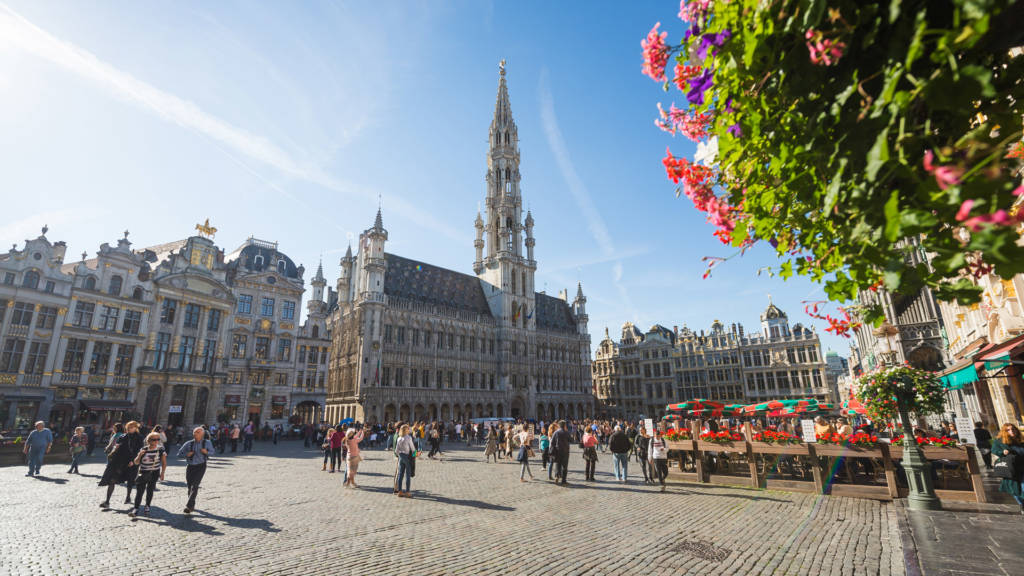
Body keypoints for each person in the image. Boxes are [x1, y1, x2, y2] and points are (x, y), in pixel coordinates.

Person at [99, 421, 143, 508]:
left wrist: (133, 460)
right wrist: (114, 450)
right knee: (112, 479)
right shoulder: (123, 436)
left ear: (135, 427)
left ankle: (128, 496)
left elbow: (139, 450)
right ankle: (107, 501)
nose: (129, 429)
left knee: (130, 480)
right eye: (128, 427)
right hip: (119, 461)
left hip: (131, 462)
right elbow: (116, 447)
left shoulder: (139, 437)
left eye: (131, 427)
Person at [129, 432, 167, 518]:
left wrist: (162, 473)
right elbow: (136, 462)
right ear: (148, 440)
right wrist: (139, 455)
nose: (156, 441)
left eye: (158, 439)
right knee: (140, 491)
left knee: (150, 490)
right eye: (154, 440)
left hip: (154, 473)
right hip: (143, 472)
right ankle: (136, 509)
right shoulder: (144, 449)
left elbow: (164, 462)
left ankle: (147, 506)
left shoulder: (161, 449)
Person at [178, 426, 214, 514]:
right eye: (195, 432)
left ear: (202, 434)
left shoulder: (207, 443)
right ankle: (192, 504)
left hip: (201, 466)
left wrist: (206, 452)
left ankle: (189, 506)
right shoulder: (188, 443)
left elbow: (212, 452)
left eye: (198, 432)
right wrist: (187, 454)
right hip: (190, 466)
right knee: (189, 486)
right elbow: (179, 454)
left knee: (195, 485)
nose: (195, 434)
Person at [992, 423, 1024, 513]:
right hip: (1011, 468)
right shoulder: (999, 441)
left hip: (1023, 466)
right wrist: (1002, 452)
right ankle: (1021, 504)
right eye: (1008, 430)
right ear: (1004, 432)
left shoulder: (1021, 439)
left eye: (1013, 429)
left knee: (1023, 487)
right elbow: (994, 450)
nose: (1011, 431)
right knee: (1013, 489)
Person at [395, 424, 416, 497]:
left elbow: (396, 450)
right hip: (407, 457)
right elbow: (413, 449)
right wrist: (414, 457)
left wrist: (399, 456)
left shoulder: (399, 438)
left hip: (400, 457)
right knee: (407, 475)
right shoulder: (408, 438)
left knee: (400, 474)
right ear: (406, 430)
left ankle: (400, 491)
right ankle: (407, 492)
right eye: (408, 429)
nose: (409, 430)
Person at [550, 420, 571, 485]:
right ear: (565, 425)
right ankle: (563, 481)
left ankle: (556, 476)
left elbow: (552, 442)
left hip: (557, 451)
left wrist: (552, 450)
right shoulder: (566, 432)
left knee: (557, 464)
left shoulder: (556, 432)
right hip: (565, 451)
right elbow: (571, 440)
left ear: (559, 425)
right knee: (564, 466)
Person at [649, 428, 669, 492]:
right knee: (659, 472)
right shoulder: (651, 440)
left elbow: (668, 448)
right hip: (656, 458)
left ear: (660, 435)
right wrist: (650, 458)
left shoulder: (664, 440)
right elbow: (650, 450)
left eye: (658, 436)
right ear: (654, 435)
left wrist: (664, 450)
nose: (657, 437)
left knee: (666, 472)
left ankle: (662, 480)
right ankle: (662, 485)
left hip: (663, 457)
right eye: (656, 436)